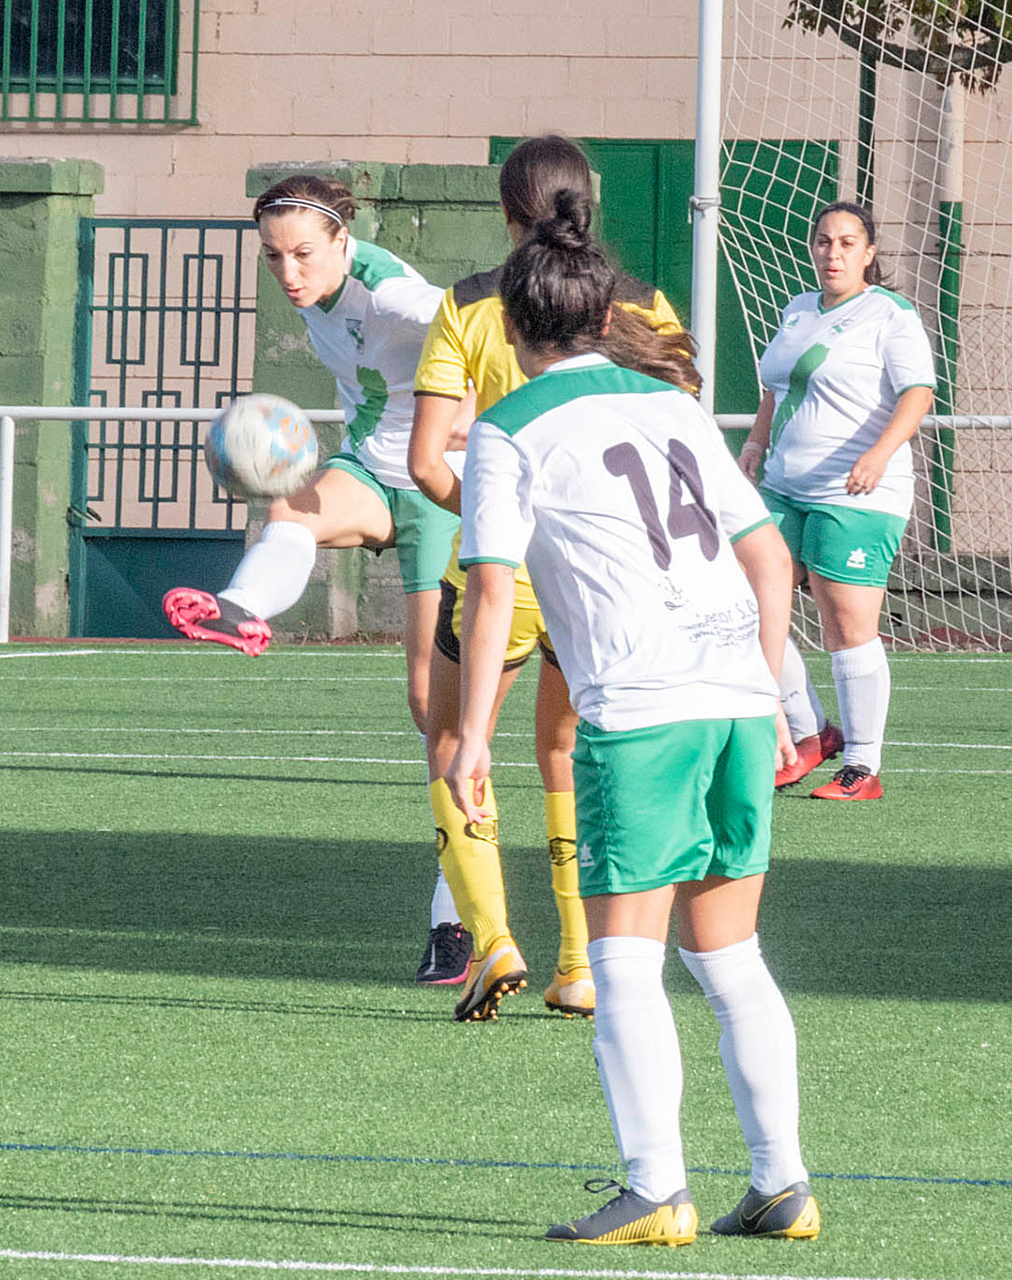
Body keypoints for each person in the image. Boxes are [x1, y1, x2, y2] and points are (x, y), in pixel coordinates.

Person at [444, 190, 818, 1246]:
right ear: (606, 318)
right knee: (731, 956)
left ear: (511, 332)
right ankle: (782, 1180)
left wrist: (472, 735)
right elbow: (768, 556)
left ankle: (656, 1185)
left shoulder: (507, 425)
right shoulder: (673, 405)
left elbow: (487, 588)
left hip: (641, 711)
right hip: (737, 701)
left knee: (622, 962)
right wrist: (776, 690)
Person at [160, 175, 473, 982]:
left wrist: (477, 404)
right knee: (290, 510)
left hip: (445, 492)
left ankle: (457, 917)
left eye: (303, 253)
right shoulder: (313, 295)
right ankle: (243, 607)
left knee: (429, 709)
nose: (288, 272)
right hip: (372, 470)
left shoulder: (392, 294)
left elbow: (479, 329)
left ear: (342, 240)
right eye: (274, 257)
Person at [407, 135, 690, 1022]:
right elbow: (675, 422)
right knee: (567, 754)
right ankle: (580, 965)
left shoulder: (465, 306)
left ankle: (491, 937)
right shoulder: (641, 304)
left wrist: (493, 514)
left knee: (456, 743)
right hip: (595, 570)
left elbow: (424, 463)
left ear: (504, 210)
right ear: (587, 204)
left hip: (500, 569)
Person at [737, 201, 935, 800]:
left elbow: (919, 393)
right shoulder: (799, 309)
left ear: (869, 253)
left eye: (848, 243)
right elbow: (777, 387)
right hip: (783, 485)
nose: (833, 253)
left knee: (846, 624)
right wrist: (754, 440)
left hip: (854, 494)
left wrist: (878, 455)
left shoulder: (890, 315)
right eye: (824, 241)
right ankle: (807, 732)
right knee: (744, 604)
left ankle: (862, 765)